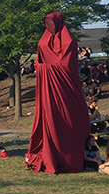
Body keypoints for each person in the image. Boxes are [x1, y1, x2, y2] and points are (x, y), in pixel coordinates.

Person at [25, 12, 88, 174]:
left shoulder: (69, 42)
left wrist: (43, 67)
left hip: (64, 89)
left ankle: (66, 157)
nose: (49, 27)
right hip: (48, 88)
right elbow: (39, 60)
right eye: (47, 23)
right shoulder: (44, 41)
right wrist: (40, 66)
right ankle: (48, 153)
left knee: (65, 120)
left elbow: (66, 67)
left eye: (52, 23)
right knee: (49, 118)